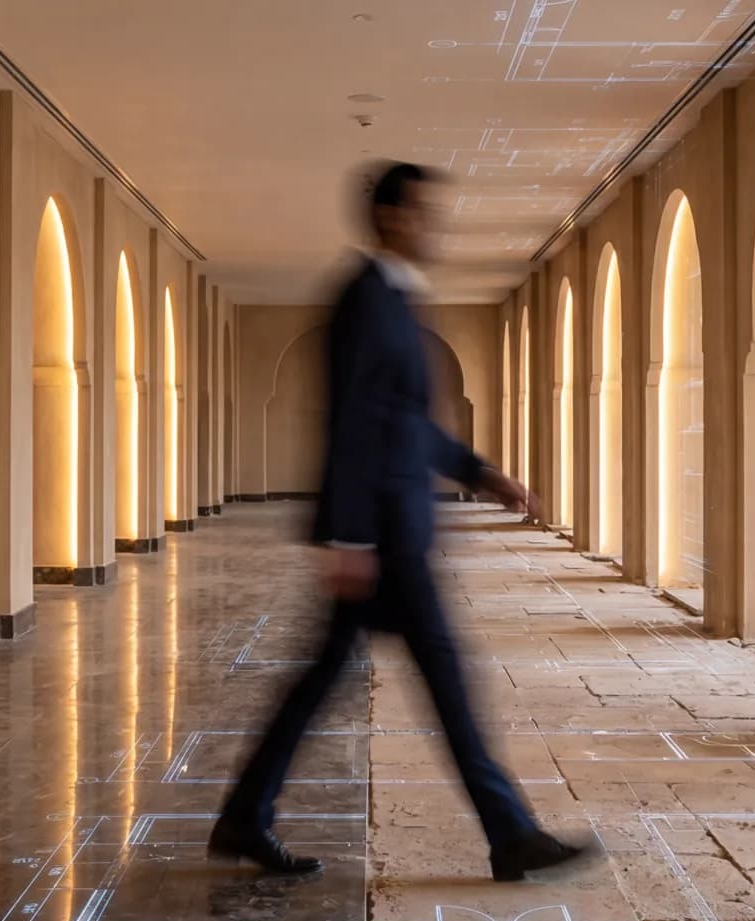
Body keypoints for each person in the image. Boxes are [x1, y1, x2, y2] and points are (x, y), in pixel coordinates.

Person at [210, 162, 588, 882]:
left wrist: (481, 473)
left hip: (391, 532)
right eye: (421, 212)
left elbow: (408, 424)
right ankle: (509, 833)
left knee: (324, 679)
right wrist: (348, 536)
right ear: (389, 216)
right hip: (383, 537)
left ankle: (244, 815)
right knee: (440, 677)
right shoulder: (362, 299)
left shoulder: (398, 299)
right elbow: (351, 422)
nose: (432, 226)